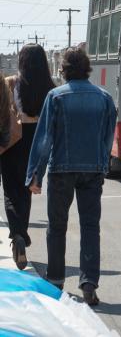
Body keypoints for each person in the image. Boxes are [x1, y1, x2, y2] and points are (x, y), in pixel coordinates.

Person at [26, 47, 117, 306]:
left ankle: (55, 280)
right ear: (87, 68)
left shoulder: (55, 97)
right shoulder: (104, 97)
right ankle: (89, 284)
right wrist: (102, 162)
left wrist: (35, 175)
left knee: (57, 227)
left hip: (61, 169)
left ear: (64, 70)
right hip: (92, 169)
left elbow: (44, 139)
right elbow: (108, 135)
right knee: (90, 227)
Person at [1, 44, 55, 270]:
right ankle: (21, 233)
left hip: (13, 140)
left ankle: (18, 234)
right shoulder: (50, 88)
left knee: (11, 190)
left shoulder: (11, 83)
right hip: (37, 141)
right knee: (27, 189)